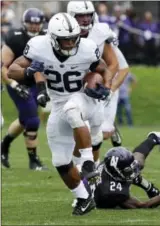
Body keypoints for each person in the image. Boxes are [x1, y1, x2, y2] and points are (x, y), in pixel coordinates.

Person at [7, 13, 112, 215]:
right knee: (60, 161)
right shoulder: (39, 46)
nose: (72, 42)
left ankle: (88, 162)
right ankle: (83, 197)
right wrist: (28, 73)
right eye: (66, 39)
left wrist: (102, 85)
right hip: (58, 103)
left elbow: (102, 68)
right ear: (53, 38)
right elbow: (12, 71)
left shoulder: (87, 48)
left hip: (83, 99)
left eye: (74, 37)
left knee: (72, 110)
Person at [67, 1, 129, 167]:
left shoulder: (101, 33)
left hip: (102, 85)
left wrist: (107, 88)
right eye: (81, 15)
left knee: (101, 133)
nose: (86, 20)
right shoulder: (64, 33)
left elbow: (117, 66)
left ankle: (91, 165)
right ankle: (85, 165)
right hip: (79, 87)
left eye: (88, 15)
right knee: (82, 130)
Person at [1, 8, 47, 170]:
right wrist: (14, 85)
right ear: (24, 23)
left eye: (37, 23)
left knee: (25, 119)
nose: (34, 26)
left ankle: (4, 144)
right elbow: (3, 66)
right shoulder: (15, 37)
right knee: (33, 119)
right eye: (31, 23)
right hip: (17, 81)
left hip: (36, 81)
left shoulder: (47, 36)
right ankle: (33, 160)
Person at [87, 131, 160, 209]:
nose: (133, 171)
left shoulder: (110, 167)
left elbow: (128, 169)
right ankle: (148, 186)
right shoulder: (112, 192)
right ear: (115, 172)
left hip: (113, 177)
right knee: (131, 174)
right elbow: (142, 205)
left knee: (138, 163)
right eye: (128, 170)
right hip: (103, 197)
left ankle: (153, 139)